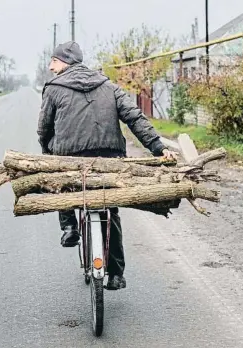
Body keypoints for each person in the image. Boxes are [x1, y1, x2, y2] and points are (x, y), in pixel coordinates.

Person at [37, 41, 177, 290]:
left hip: (72, 159)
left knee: (61, 179)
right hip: (109, 159)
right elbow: (134, 117)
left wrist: (47, 152)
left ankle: (69, 226)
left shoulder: (53, 88)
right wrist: (158, 147)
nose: (50, 67)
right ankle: (116, 274)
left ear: (65, 62)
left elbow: (43, 128)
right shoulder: (108, 85)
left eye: (54, 61)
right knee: (110, 210)